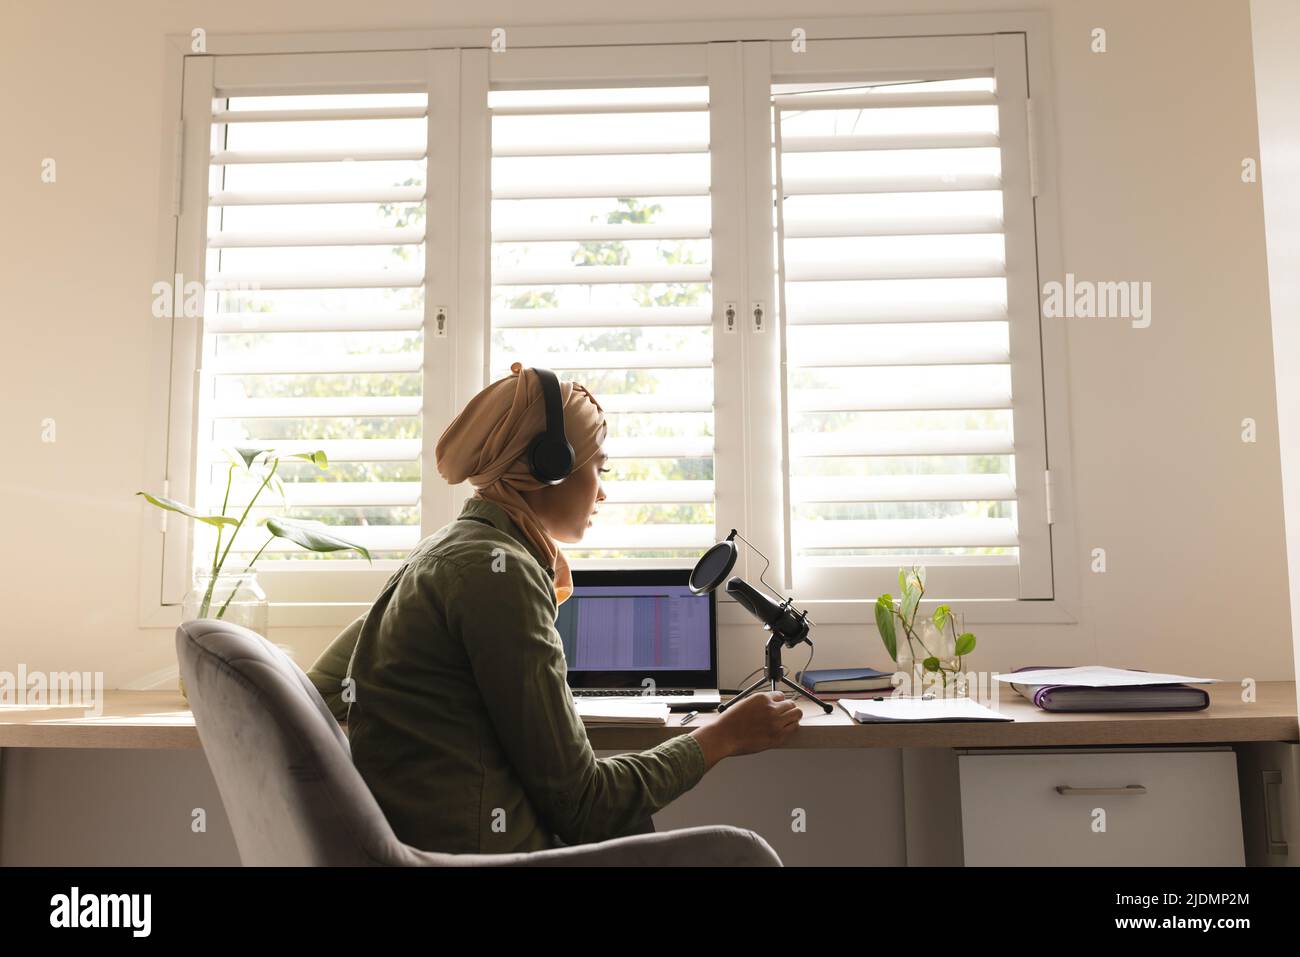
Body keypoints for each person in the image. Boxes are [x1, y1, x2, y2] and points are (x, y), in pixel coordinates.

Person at [306, 362, 801, 854]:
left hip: (421, 848)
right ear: (550, 466)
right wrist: (722, 736)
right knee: (743, 855)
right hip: (473, 858)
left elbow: (325, 692)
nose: (603, 490)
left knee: (638, 832)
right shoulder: (500, 573)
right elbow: (587, 806)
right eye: (598, 468)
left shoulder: (444, 551)